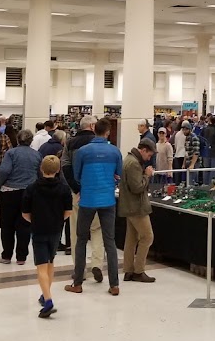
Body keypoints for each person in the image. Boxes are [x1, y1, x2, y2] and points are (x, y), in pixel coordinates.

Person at [65, 118, 122, 296]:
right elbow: (118, 174)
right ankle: (114, 285)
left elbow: (77, 174)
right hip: (107, 200)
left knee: (81, 239)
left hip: (87, 199)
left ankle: (78, 282)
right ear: (107, 132)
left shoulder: (82, 151)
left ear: (93, 129)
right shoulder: (115, 151)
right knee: (109, 242)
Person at [21, 156, 73, 318]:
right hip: (56, 230)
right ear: (58, 170)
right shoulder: (64, 189)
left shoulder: (32, 188)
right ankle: (46, 294)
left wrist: (35, 221)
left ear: (42, 169)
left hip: (38, 230)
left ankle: (48, 299)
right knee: (50, 263)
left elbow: (25, 213)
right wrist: (57, 221)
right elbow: (68, 212)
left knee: (41, 266)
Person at [62, 115, 103, 274]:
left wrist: (76, 188)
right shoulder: (101, 143)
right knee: (97, 229)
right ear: (92, 126)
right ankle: (97, 265)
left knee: (77, 232)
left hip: (77, 194)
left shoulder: (70, 143)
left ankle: (79, 269)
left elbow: (65, 166)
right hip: (96, 193)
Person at [0, 130, 41, 265]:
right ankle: (21, 257)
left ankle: (7, 255)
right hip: (29, 193)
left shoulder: (11, 153)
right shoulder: (37, 155)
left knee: (7, 225)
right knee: (25, 225)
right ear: (31, 140)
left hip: (10, 192)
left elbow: (3, 171)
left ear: (18, 140)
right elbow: (40, 174)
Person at [119, 139, 156, 283]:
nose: (149, 158)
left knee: (131, 238)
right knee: (147, 237)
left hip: (129, 206)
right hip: (137, 207)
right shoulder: (134, 163)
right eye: (149, 155)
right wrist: (147, 175)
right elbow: (137, 187)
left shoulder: (129, 159)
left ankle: (128, 270)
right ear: (143, 150)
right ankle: (138, 271)